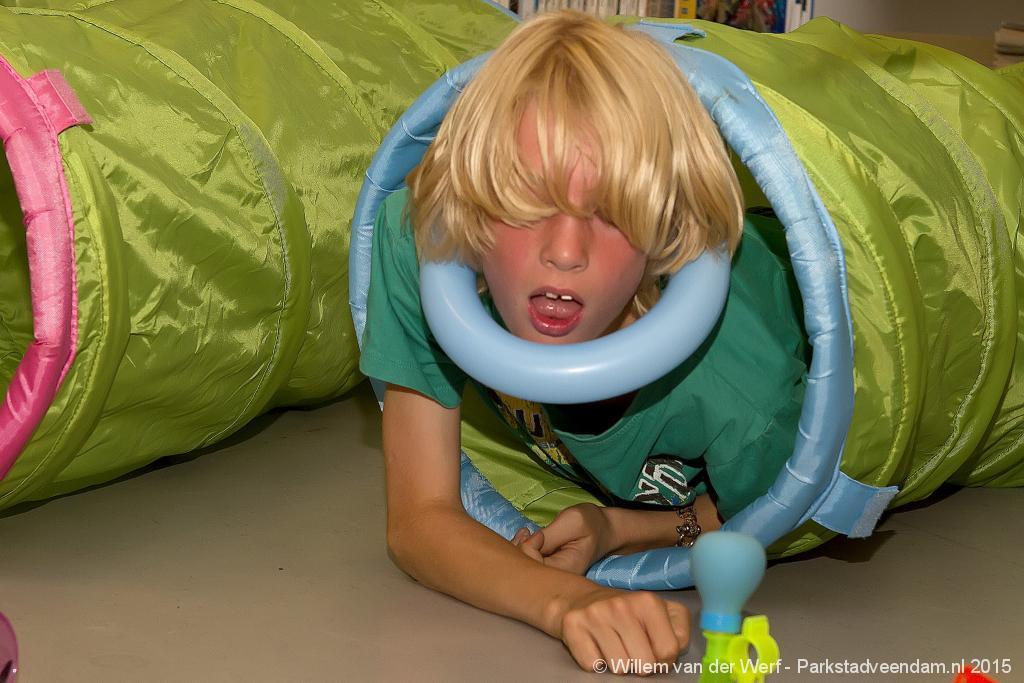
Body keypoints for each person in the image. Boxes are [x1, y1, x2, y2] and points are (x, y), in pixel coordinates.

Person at [359, 10, 807, 674]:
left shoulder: (745, 392)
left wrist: (631, 528)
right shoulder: (420, 243)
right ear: (474, 200)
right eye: (528, 198)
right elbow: (419, 516)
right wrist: (572, 595)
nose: (565, 251)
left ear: (663, 229)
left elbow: (761, 516)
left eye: (611, 211)